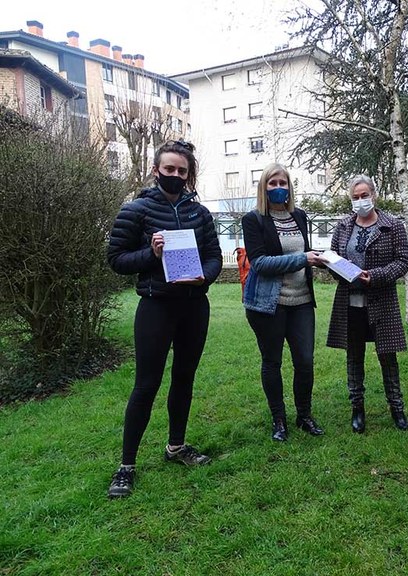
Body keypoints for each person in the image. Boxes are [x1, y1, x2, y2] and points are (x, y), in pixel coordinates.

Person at [106, 140, 223, 498]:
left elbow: (214, 257)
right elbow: (117, 259)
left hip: (193, 306)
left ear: (189, 175)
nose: (174, 175)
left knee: (184, 378)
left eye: (181, 171)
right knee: (146, 385)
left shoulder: (199, 214)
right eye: (168, 169)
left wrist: (205, 275)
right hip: (156, 307)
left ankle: (176, 446)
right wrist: (152, 254)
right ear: (157, 170)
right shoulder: (136, 210)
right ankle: (126, 466)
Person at [242, 163, 326, 441]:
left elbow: (304, 253)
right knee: (272, 362)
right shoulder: (253, 220)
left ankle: (304, 415)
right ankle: (278, 419)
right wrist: (304, 258)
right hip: (269, 304)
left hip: (301, 301)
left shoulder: (299, 216)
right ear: (263, 187)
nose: (279, 188)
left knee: (305, 361)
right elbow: (260, 262)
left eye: (283, 183)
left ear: (290, 187)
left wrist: (323, 260)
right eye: (273, 183)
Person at [326, 175, 408, 433]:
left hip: (381, 301)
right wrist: (336, 268)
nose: (360, 201)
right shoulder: (342, 227)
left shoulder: (392, 225)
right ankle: (357, 409)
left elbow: (404, 261)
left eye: (365, 195)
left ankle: (397, 408)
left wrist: (375, 276)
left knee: (388, 358)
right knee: (354, 357)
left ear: (374, 195)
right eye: (355, 197)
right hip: (349, 303)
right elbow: (333, 259)